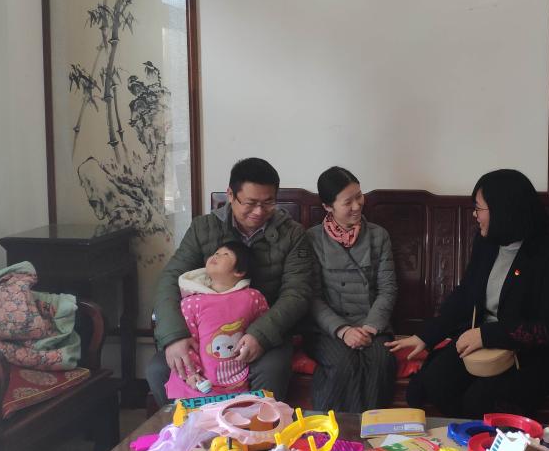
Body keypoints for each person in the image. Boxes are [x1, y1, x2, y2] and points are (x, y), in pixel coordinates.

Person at [386, 169, 549, 418]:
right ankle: (463, 435)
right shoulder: (487, 242)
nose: (474, 215)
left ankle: (485, 438)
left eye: (479, 208)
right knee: (435, 383)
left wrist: (487, 335)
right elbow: (467, 293)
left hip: (535, 353)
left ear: (503, 211)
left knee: (480, 401)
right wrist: (427, 336)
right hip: (484, 341)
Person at [147, 157, 316, 405]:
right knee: (158, 369)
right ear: (230, 195)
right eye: (250, 203)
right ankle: (190, 428)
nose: (259, 211)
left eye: (268, 202)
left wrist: (260, 334)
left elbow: (297, 293)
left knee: (272, 369)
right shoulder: (204, 228)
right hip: (205, 332)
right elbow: (170, 280)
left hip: (266, 330)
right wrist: (173, 336)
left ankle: (257, 428)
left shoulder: (292, 233)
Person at [305, 166, 397, 412]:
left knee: (381, 361)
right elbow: (312, 297)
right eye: (348, 202)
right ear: (328, 206)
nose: (357, 206)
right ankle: (336, 429)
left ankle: (373, 428)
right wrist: (343, 330)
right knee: (342, 363)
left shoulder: (378, 236)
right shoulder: (312, 239)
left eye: (359, 196)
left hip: (371, 324)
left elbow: (387, 288)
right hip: (328, 329)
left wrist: (370, 326)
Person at [164, 241, 269, 399]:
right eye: (216, 253)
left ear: (240, 271)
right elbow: (188, 342)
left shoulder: (252, 297)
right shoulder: (191, 303)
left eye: (225, 254)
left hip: (238, 379)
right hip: (199, 383)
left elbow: (264, 324)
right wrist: (191, 374)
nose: (216, 256)